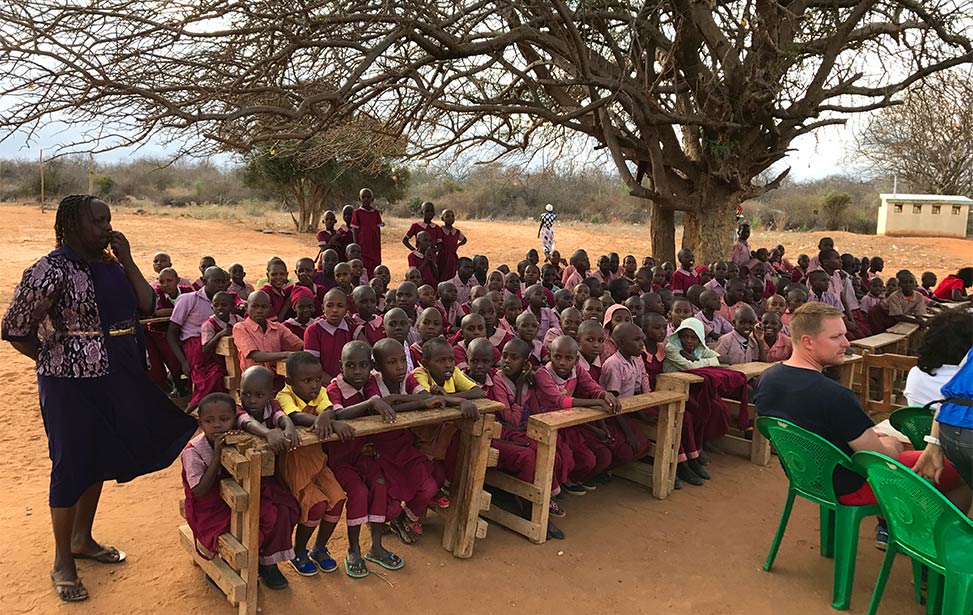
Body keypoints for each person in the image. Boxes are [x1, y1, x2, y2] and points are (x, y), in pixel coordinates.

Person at [2, 195, 197, 602]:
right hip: (68, 384)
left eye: (108, 219)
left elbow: (145, 304)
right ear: (71, 225)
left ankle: (82, 539)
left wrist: (126, 257)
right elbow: (17, 328)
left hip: (118, 374)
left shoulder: (110, 265)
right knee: (71, 463)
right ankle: (62, 561)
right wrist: (55, 357)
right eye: (97, 221)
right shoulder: (49, 269)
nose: (106, 227)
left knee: (101, 456)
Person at [755, 303, 965, 547]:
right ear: (808, 341)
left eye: (844, 334)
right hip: (849, 483)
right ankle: (936, 548)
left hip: (806, 475)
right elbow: (879, 458)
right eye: (836, 337)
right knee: (957, 469)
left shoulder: (768, 378)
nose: (846, 343)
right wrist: (892, 445)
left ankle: (896, 529)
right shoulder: (835, 396)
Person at [182, 393, 297, 589]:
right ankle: (225, 566)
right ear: (201, 423)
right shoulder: (192, 452)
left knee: (282, 509)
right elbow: (199, 491)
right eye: (210, 421)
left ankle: (267, 561)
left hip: (243, 492)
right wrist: (217, 455)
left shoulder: (239, 434)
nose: (217, 425)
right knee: (243, 525)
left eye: (224, 419)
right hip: (210, 506)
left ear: (235, 419)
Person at [324, 342, 404, 576]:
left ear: (370, 367)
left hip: (362, 454)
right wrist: (371, 403)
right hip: (339, 458)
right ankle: (353, 549)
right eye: (351, 366)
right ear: (341, 366)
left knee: (379, 485)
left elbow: (378, 401)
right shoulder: (334, 388)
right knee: (358, 492)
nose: (357, 371)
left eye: (363, 365)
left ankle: (376, 547)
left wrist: (374, 400)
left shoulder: (369, 383)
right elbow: (338, 414)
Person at [275, 352, 349, 575]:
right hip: (295, 463)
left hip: (317, 461)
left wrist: (326, 416)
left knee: (337, 500)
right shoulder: (283, 396)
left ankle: (320, 548)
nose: (315, 386)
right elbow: (295, 417)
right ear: (290, 381)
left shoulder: (320, 393)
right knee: (315, 505)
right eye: (307, 381)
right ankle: (299, 551)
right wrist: (327, 421)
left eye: (318, 379)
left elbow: (327, 407)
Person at [233, 367, 303, 588]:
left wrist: (289, 427)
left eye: (259, 395)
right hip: (242, 480)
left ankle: (268, 563)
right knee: (267, 515)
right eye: (246, 394)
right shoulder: (236, 410)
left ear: (270, 395)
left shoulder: (272, 408)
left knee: (288, 509)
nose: (252, 400)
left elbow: (283, 418)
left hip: (268, 479)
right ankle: (254, 562)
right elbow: (247, 423)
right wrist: (268, 433)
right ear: (239, 393)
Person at [232, 291, 303, 375]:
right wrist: (286, 354)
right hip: (253, 380)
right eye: (254, 306)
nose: (259, 311)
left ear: (269, 308)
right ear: (247, 307)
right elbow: (255, 356)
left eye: (264, 307)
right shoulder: (240, 328)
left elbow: (299, 346)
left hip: (277, 377)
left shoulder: (277, 327)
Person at [303, 288, 355, 383]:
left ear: (346, 309)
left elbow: (366, 349)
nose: (334, 310)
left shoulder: (351, 326)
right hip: (324, 385)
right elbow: (312, 367)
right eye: (330, 306)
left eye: (340, 306)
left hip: (351, 383)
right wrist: (336, 383)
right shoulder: (313, 331)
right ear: (323, 308)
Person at [351, 188, 383, 276]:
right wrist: (356, 246)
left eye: (368, 197)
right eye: (363, 197)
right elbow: (355, 230)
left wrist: (378, 246)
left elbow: (378, 230)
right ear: (359, 199)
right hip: (362, 247)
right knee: (364, 268)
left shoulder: (376, 213)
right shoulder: (357, 213)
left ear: (372, 199)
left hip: (374, 247)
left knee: (375, 267)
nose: (366, 199)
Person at [437, 209, 466, 282]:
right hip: (442, 257)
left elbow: (464, 240)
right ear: (442, 218)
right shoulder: (440, 230)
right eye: (447, 216)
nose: (450, 218)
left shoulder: (456, 231)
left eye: (452, 216)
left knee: (452, 275)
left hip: (453, 258)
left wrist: (458, 245)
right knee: (441, 275)